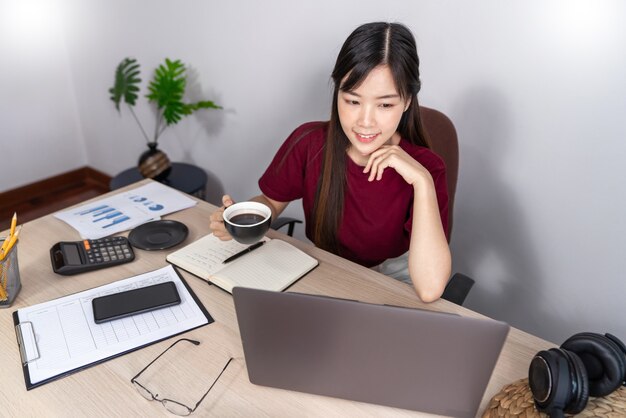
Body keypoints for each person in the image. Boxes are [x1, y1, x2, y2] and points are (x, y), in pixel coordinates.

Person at [210, 22, 451, 302]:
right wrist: (242, 218)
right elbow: (272, 202)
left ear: (407, 101)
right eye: (352, 101)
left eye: (385, 105)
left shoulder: (426, 168)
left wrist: (422, 182)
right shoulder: (309, 142)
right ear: (337, 92)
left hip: (392, 280)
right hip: (324, 272)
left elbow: (430, 288)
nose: (365, 121)